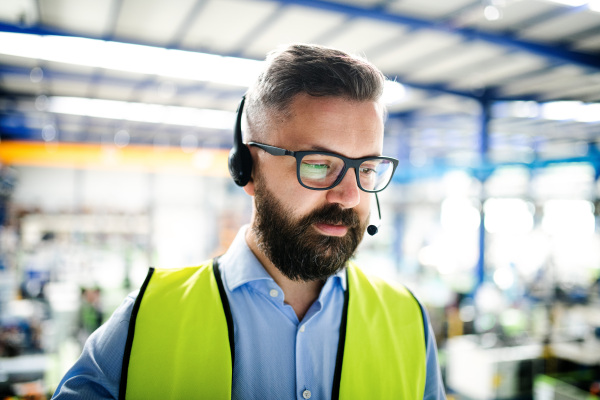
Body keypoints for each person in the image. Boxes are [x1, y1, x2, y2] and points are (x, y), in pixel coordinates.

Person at [52, 43, 446, 399]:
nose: (351, 196)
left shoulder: (407, 319)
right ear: (248, 168)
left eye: (368, 167)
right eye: (319, 164)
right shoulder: (146, 320)